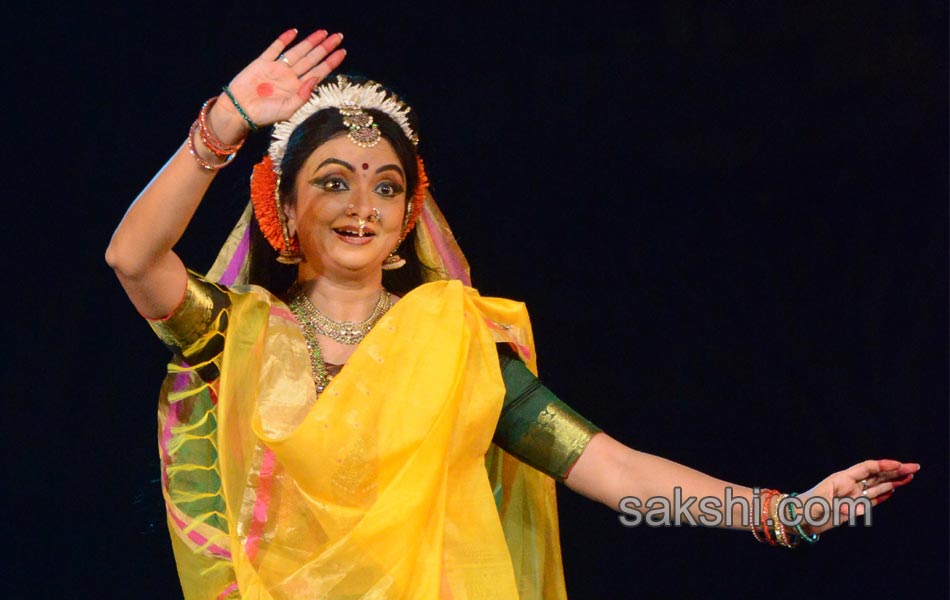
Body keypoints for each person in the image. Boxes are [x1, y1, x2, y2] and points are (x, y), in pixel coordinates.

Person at [106, 28, 919, 600]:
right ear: (282, 209)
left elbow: (618, 474)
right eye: (331, 180)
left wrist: (783, 515)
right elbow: (133, 259)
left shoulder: (458, 346)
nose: (362, 205)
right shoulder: (236, 332)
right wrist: (222, 126)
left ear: (407, 219)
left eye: (386, 186)